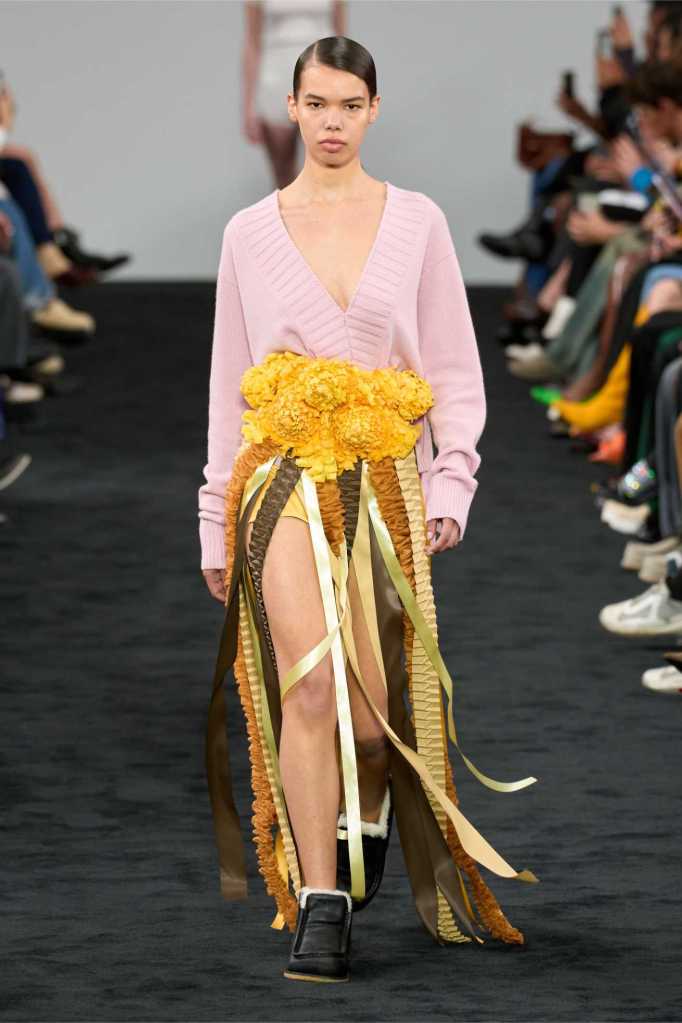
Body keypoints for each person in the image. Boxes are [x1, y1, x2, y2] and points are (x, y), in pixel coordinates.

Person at [198, 35, 539, 984]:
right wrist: (213, 515)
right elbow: (229, 386)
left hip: (386, 479)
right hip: (281, 478)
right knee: (308, 687)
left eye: (350, 104)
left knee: (370, 717)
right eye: (317, 103)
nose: (333, 122)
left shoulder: (417, 222)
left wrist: (453, 480)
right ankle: (322, 899)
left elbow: (454, 368)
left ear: (374, 110)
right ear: (293, 109)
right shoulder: (249, 233)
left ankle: (371, 808)